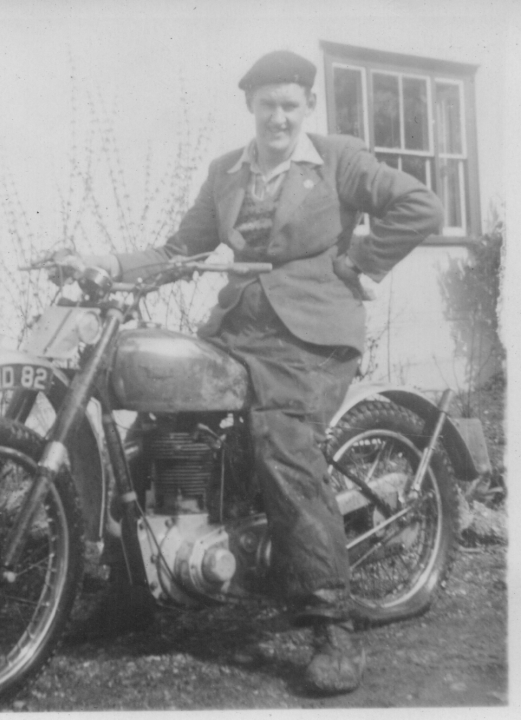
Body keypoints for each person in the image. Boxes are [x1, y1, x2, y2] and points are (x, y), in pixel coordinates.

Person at [70, 50, 444, 695]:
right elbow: (177, 249)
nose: (279, 116)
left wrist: (362, 264)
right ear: (250, 105)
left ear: (307, 108)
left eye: (291, 105)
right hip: (237, 333)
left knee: (284, 449)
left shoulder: (339, 158)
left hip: (312, 338)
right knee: (161, 435)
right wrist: (103, 260)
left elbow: (420, 207)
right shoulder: (226, 172)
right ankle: (136, 589)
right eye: (268, 104)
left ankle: (332, 625)